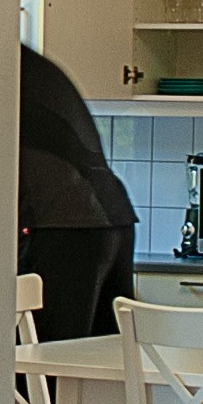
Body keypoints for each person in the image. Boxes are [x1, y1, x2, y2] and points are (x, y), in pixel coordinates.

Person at [17, 43, 135, 343]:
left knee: (45, 359)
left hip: (66, 223)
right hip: (109, 214)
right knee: (101, 360)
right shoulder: (22, 64)